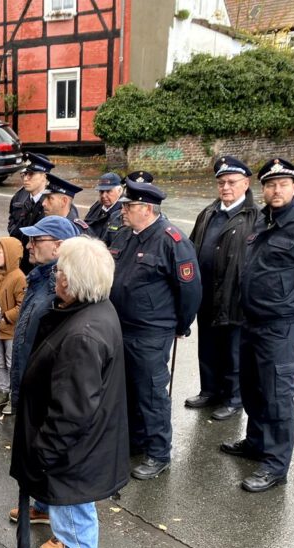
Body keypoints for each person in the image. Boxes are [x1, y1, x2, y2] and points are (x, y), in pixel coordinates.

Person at [12, 236, 128, 548]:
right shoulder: (92, 312)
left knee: (74, 529)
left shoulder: (83, 334)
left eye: (60, 271)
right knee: (77, 524)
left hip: (73, 456)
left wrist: (42, 455)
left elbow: (71, 413)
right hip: (83, 450)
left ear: (74, 281)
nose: (55, 276)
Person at [222, 158, 294, 492]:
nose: (276, 190)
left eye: (282, 184)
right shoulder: (262, 221)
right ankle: (256, 442)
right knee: (253, 386)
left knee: (276, 394)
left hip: (280, 326)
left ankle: (275, 465)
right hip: (251, 320)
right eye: (270, 185)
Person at [108, 179, 202, 481]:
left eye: (129, 206)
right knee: (128, 388)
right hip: (121, 325)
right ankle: (136, 441)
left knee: (151, 392)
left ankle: (159, 452)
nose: (123, 210)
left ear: (147, 209)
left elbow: (190, 291)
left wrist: (181, 325)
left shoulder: (171, 240)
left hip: (151, 330)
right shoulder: (125, 236)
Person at [4, 215, 80, 548]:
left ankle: (64, 533)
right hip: (29, 378)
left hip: (47, 388)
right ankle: (44, 506)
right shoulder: (39, 278)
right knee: (35, 450)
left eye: (38, 240)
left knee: (54, 455)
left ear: (60, 247)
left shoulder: (61, 287)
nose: (30, 245)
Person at [185, 156, 259, 421]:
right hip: (206, 294)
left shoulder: (255, 217)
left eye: (231, 182)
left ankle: (233, 398)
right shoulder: (208, 212)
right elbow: (192, 247)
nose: (225, 187)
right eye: (221, 182)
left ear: (245, 183)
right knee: (207, 346)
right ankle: (210, 390)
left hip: (234, 297)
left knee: (233, 351)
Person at [0, 236, 26, 413]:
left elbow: (22, 305)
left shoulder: (18, 277)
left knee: (11, 363)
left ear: (10, 254)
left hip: (10, 330)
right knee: (0, 362)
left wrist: (6, 317)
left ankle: (15, 395)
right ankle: (3, 391)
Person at [8, 153, 54, 273]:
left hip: (41, 266)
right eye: (24, 174)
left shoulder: (54, 200)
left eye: (31, 174)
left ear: (44, 176)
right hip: (20, 260)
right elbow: (12, 222)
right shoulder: (19, 196)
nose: (26, 178)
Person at [83, 172, 124, 243]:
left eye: (108, 191)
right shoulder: (97, 206)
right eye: (101, 191)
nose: (104, 196)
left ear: (119, 191)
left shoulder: (123, 211)